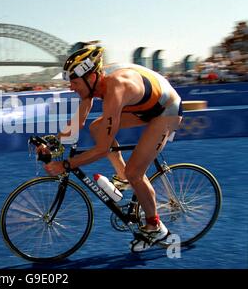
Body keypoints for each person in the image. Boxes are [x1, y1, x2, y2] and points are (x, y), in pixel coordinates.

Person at [42, 42, 183, 252]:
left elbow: (101, 150)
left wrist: (66, 164)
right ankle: (123, 177)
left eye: (74, 81)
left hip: (166, 111)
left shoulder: (117, 88)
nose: (71, 87)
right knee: (97, 128)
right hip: (146, 105)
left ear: (90, 78)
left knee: (135, 172)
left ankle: (156, 227)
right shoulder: (94, 82)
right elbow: (78, 123)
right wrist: (54, 141)